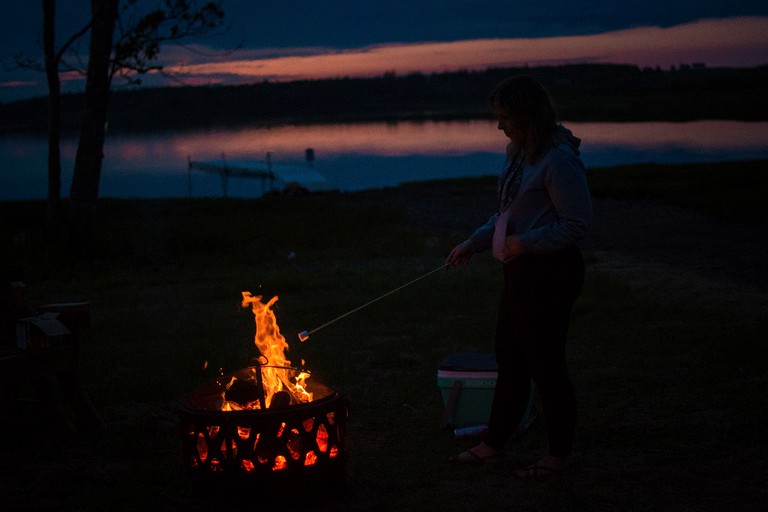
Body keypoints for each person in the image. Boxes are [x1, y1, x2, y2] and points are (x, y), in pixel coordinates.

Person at [445, 75, 592, 477]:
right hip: (521, 274)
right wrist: (475, 242)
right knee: (510, 360)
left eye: (505, 116)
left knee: (546, 366)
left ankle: (560, 455)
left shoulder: (558, 160)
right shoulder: (518, 154)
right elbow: (509, 214)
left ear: (528, 115)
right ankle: (494, 443)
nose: (499, 126)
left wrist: (523, 244)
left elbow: (577, 224)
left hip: (551, 274)